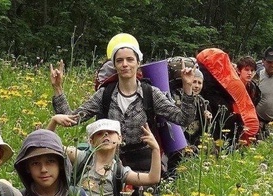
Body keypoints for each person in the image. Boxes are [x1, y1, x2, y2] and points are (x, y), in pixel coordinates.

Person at [50, 34, 200, 177]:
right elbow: (72, 119)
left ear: (138, 63)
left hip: (145, 163)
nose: (125, 64)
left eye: (130, 59)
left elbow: (184, 119)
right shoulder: (105, 94)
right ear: (114, 65)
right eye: (120, 60)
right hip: (110, 163)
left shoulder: (150, 93)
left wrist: (187, 89)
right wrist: (58, 89)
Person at [48, 117, 161, 196]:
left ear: (120, 138)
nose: (106, 134)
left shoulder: (119, 171)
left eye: (111, 132)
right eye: (99, 133)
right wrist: (53, 121)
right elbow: (48, 146)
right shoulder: (81, 158)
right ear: (91, 141)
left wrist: (155, 149)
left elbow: (153, 178)